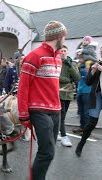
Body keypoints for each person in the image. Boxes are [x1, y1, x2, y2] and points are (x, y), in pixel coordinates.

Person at [17, 21, 67, 179]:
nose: (65, 40)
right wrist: (23, 114)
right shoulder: (34, 56)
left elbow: (51, 84)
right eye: (64, 36)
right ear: (58, 37)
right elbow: (23, 88)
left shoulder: (59, 58)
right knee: (47, 152)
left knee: (47, 152)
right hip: (39, 111)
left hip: (56, 110)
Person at [58, 45, 80, 147]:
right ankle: (63, 136)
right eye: (61, 51)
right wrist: (68, 80)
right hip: (58, 92)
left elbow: (77, 77)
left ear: (67, 52)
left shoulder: (72, 63)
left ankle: (56, 132)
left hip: (69, 93)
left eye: (64, 51)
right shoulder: (56, 62)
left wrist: (70, 66)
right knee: (61, 115)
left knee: (62, 115)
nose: (63, 52)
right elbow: (56, 76)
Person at [72, 54, 93, 134]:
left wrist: (80, 73)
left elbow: (89, 76)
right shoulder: (80, 65)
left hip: (87, 91)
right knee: (81, 111)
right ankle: (81, 127)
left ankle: (86, 129)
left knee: (86, 111)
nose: (79, 59)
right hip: (80, 91)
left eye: (80, 58)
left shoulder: (90, 65)